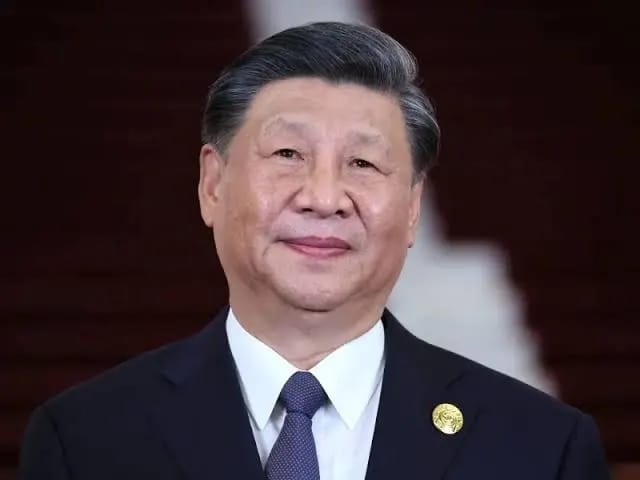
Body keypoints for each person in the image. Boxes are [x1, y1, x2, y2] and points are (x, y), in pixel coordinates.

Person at [20, 22, 609, 480]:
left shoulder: (543, 447)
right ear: (212, 185)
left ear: (412, 207)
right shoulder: (85, 439)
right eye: (287, 155)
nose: (324, 198)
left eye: (363, 163)